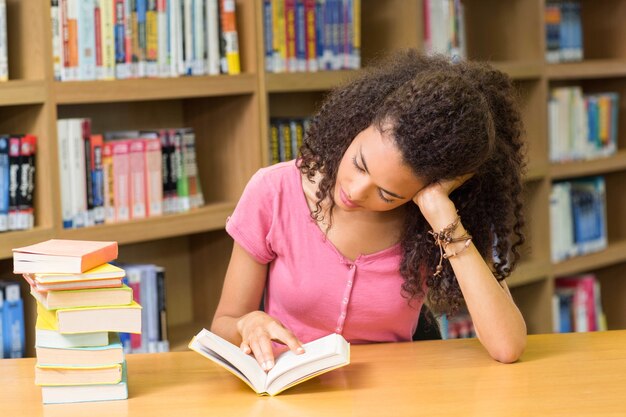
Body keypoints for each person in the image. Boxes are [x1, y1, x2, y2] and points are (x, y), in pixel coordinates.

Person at [211, 50, 527, 371]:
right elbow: (223, 325)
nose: (354, 190)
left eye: (387, 194)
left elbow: (507, 345)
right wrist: (245, 325)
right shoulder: (274, 190)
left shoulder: (431, 220)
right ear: (360, 124)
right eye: (360, 163)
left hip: (395, 396)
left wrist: (445, 219)